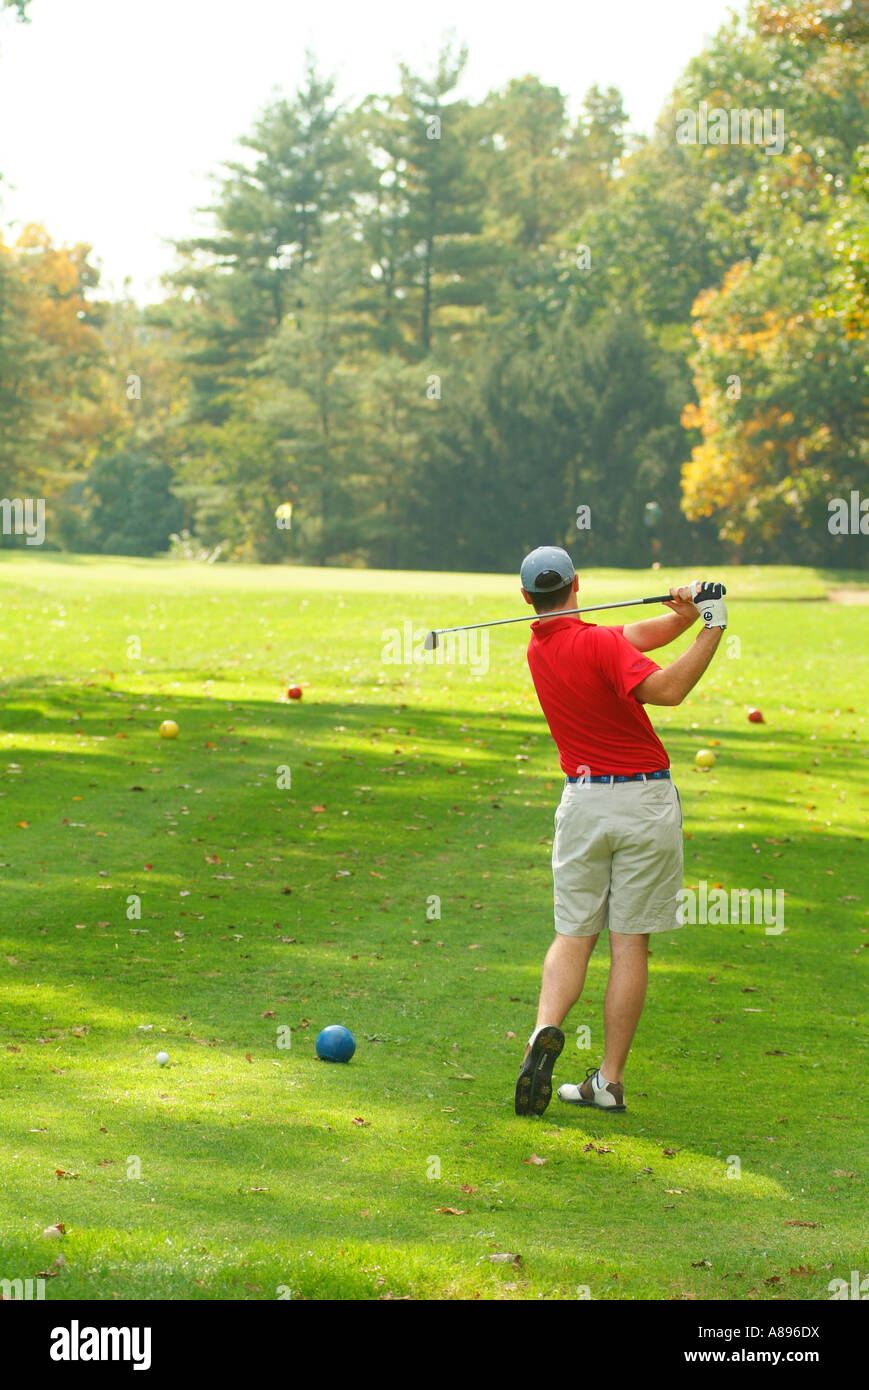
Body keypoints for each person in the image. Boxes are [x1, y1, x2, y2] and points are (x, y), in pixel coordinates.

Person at [513, 546, 727, 1117]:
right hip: (644, 804)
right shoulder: (600, 643)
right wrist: (712, 628)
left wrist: (683, 613)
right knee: (629, 941)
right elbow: (669, 690)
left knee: (572, 934)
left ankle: (542, 1034)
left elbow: (633, 636)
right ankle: (607, 1081)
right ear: (578, 583)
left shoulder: (543, 648)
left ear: (527, 598)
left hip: (583, 806)